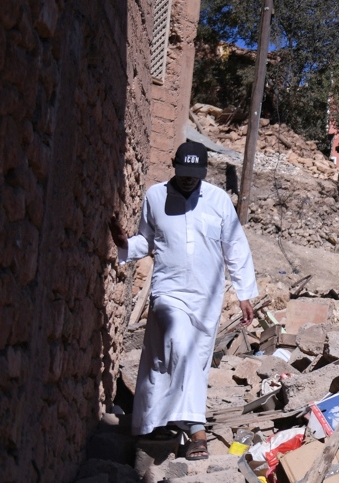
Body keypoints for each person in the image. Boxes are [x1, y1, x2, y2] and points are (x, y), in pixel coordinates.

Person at [115, 141, 259, 461]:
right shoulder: (155, 197)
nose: (189, 179)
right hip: (168, 292)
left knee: (186, 360)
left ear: (204, 171)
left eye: (195, 174)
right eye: (184, 172)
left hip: (207, 299)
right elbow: (146, 242)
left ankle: (158, 423)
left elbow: (235, 247)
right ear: (173, 165)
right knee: (182, 346)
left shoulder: (219, 201)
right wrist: (124, 245)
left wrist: (245, 293)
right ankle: (197, 430)